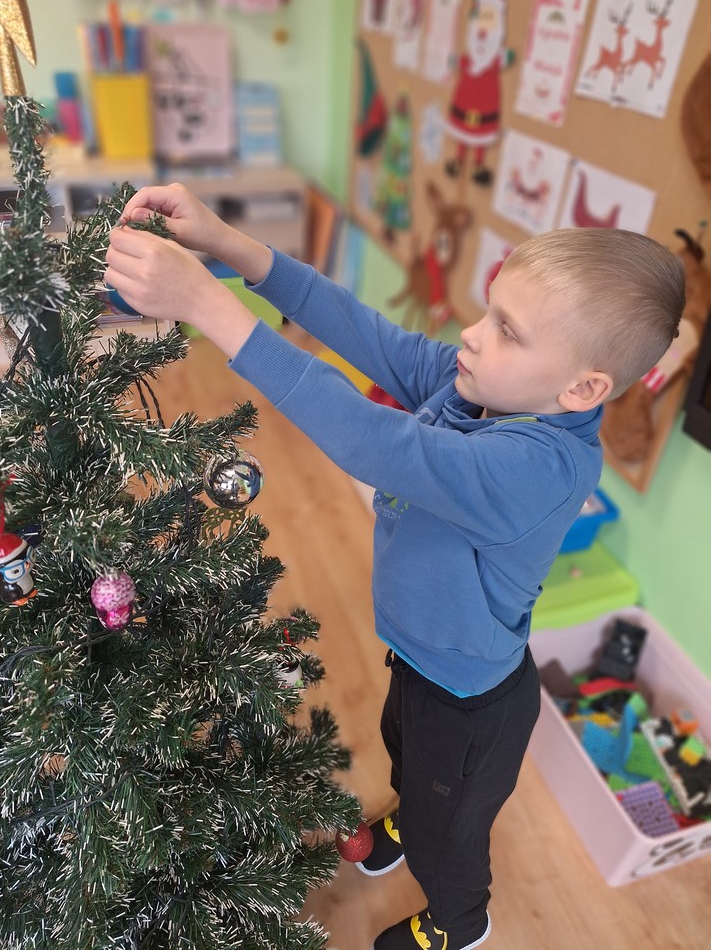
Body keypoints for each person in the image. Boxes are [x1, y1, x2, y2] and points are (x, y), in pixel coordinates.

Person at [105, 185, 685, 950]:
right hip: (421, 660)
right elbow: (363, 330)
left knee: (451, 837)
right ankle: (414, 814)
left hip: (469, 703)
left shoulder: (538, 468)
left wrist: (208, 306)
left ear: (581, 388)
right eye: (488, 312)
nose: (471, 335)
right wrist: (228, 245)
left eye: (506, 331)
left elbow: (372, 440)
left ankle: (459, 923)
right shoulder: (485, 389)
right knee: (406, 755)